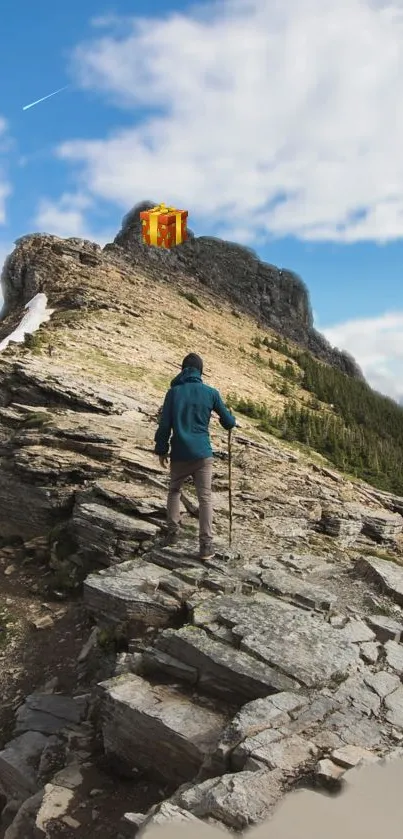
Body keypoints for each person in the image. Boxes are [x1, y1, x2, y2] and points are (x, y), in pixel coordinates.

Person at [154, 353, 236, 561]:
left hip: (180, 453)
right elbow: (228, 422)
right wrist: (231, 417)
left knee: (174, 491)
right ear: (201, 371)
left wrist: (161, 449)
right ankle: (206, 546)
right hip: (202, 454)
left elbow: (164, 426)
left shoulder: (173, 393)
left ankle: (172, 533)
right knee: (205, 497)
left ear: (183, 370)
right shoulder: (211, 393)